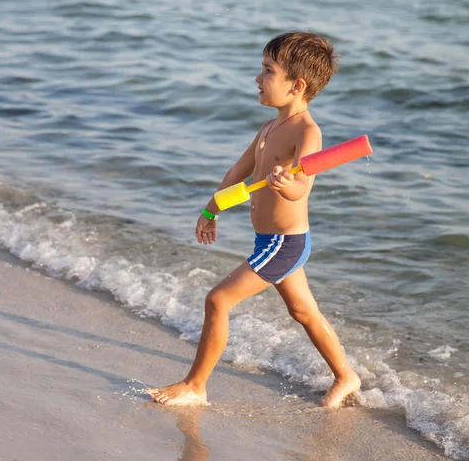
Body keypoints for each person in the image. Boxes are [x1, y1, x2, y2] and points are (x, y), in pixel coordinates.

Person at [147, 32, 361, 408]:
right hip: (269, 241)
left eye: (267, 71)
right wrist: (211, 209)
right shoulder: (268, 128)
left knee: (218, 300)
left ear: (296, 86)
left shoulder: (308, 132)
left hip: (285, 242)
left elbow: (302, 189)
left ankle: (196, 385)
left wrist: (285, 186)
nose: (257, 78)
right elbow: (238, 171)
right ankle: (346, 376)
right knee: (303, 311)